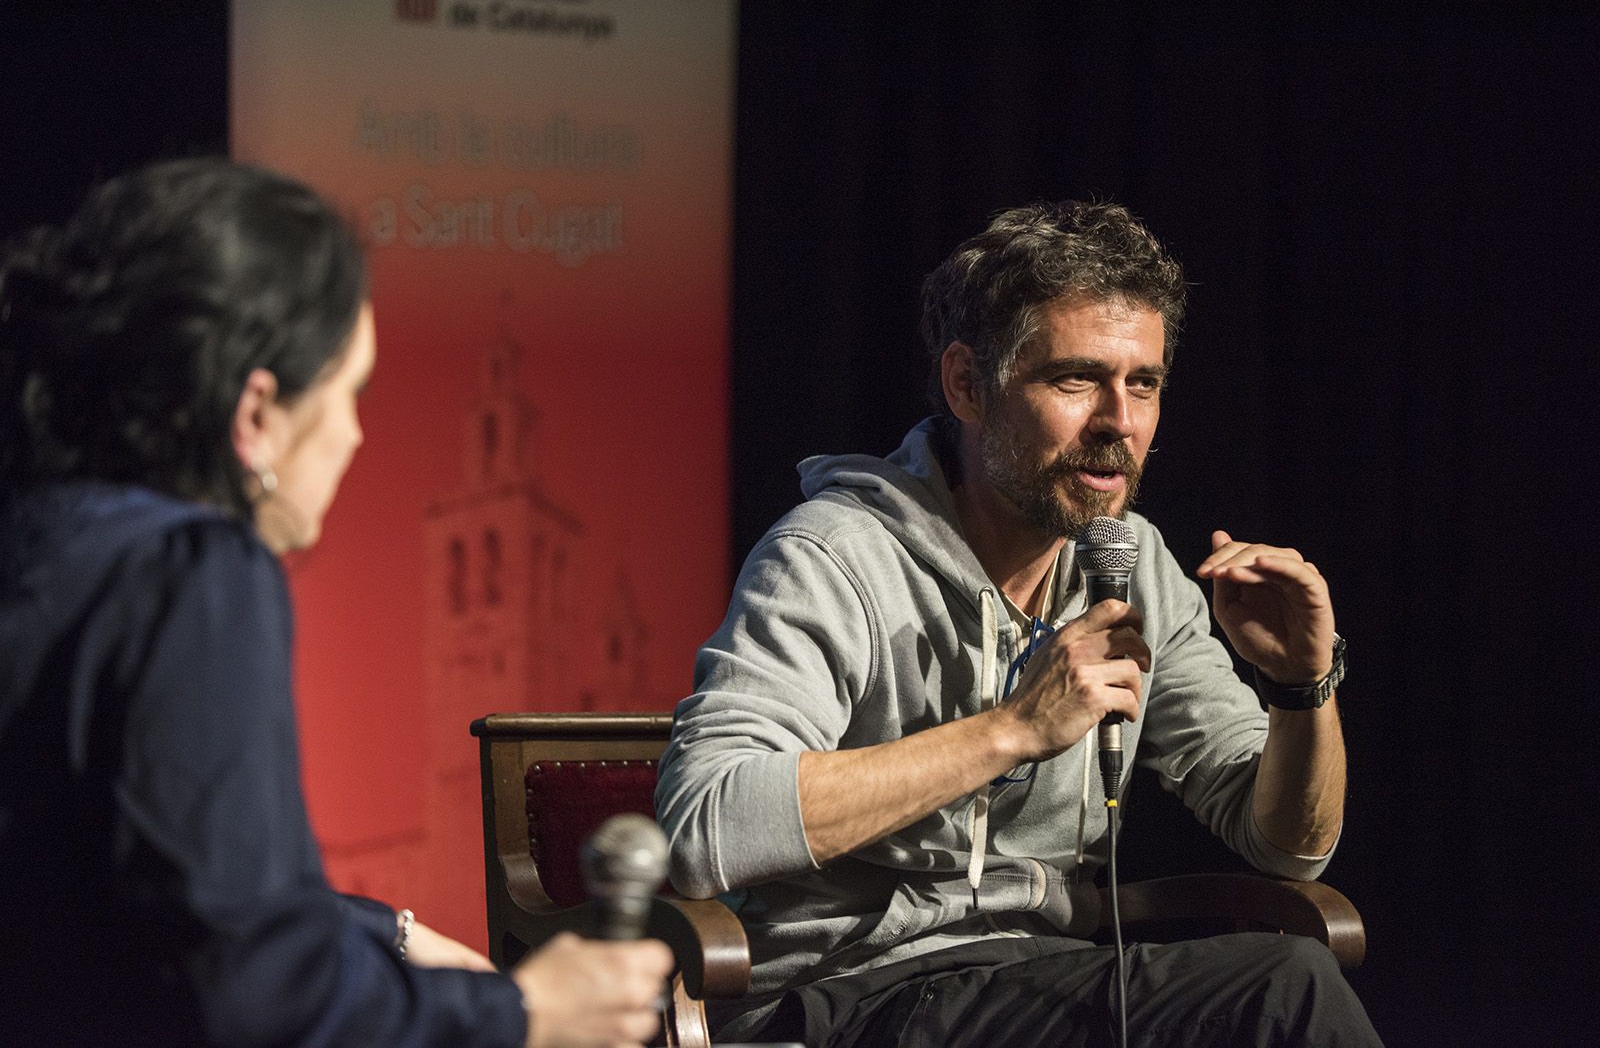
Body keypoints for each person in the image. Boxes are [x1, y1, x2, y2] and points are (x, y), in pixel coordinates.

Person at [655, 202, 1382, 1046]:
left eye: (1142, 384)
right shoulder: (834, 556)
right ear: (969, 384)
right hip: (845, 996)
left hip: (1037, 982)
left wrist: (1302, 689)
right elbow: (707, 825)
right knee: (1282, 989)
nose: (1120, 422)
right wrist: (1010, 731)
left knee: (1278, 986)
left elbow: (1291, 849)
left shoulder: (1130, 561)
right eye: (1077, 379)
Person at [0, 158, 672, 1047]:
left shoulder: (45, 539)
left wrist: (382, 932)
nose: (357, 433)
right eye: (350, 391)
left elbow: (137, 902)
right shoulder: (197, 574)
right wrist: (524, 1013)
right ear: (256, 414)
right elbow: (259, 1001)